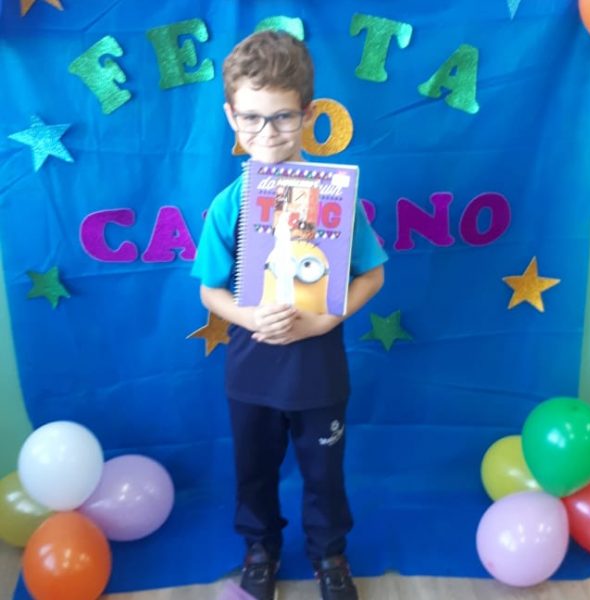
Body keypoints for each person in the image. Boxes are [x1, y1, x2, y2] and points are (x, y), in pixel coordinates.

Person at [191, 30, 387, 600]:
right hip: (251, 370)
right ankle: (260, 549)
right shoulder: (229, 204)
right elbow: (209, 292)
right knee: (254, 471)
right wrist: (250, 317)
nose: (267, 134)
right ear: (231, 117)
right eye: (251, 119)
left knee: (324, 474)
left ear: (306, 114)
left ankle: (329, 554)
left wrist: (327, 319)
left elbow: (373, 275)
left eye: (281, 117)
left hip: (318, 373)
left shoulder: (337, 198)